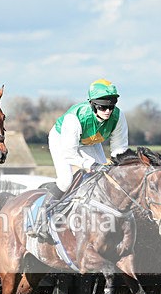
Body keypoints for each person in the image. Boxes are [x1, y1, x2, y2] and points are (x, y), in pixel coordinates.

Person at [27, 78, 129, 238]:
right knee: (66, 180)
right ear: (93, 105)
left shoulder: (118, 116)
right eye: (103, 107)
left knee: (107, 178)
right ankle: (40, 218)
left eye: (111, 106)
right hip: (62, 140)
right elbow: (69, 153)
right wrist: (91, 164)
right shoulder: (74, 118)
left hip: (90, 141)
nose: (108, 111)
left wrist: (117, 167)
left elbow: (119, 148)